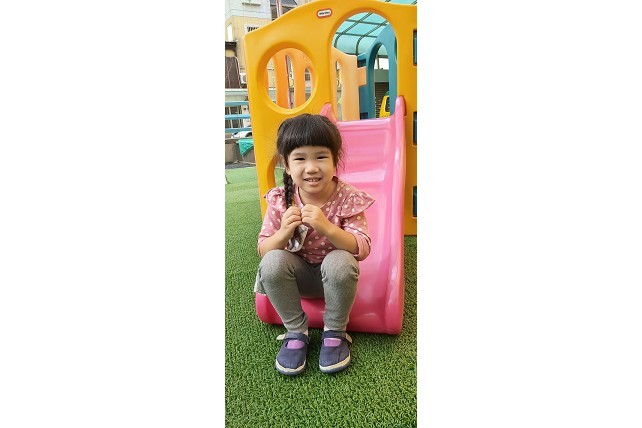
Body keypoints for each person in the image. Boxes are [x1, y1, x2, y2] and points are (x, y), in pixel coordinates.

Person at [254, 113, 375, 376]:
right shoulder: (281, 199)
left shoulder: (347, 197)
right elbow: (263, 249)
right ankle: (296, 332)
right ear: (286, 165)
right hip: (297, 281)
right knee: (272, 262)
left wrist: (327, 228)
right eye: (300, 158)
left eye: (321, 157)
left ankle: (335, 331)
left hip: (336, 281)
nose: (311, 167)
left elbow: (362, 247)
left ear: (334, 160)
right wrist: (283, 232)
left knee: (341, 260)